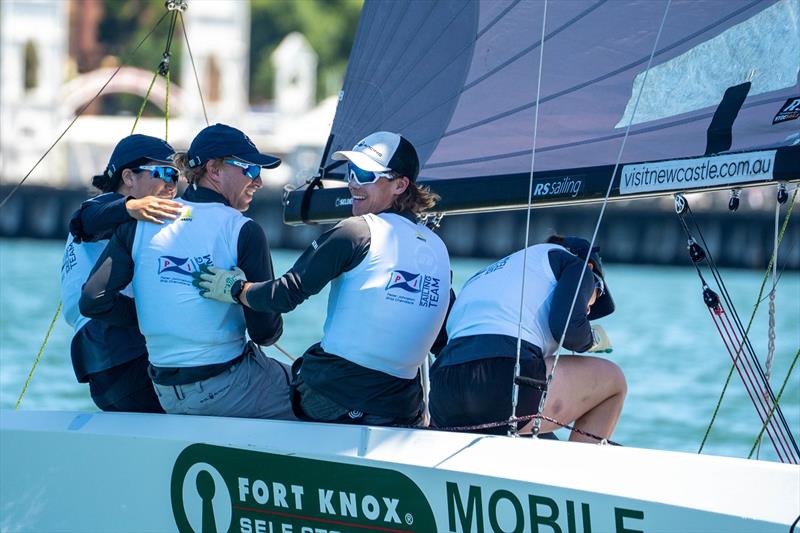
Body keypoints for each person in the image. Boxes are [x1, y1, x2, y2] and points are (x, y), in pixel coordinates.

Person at [194, 131, 451, 426]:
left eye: (365, 174)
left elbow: (284, 295)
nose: (353, 183)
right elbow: (443, 336)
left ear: (400, 185)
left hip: (334, 400)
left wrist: (236, 288)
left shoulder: (356, 231)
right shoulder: (438, 248)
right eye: (350, 172)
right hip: (401, 409)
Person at [79, 123, 293, 420]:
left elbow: (93, 300)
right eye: (250, 170)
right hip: (227, 387)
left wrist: (155, 310)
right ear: (214, 170)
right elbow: (265, 333)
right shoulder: (243, 230)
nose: (258, 181)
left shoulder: (141, 221)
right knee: (314, 396)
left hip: (165, 392)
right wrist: (240, 295)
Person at [429, 235, 627, 442]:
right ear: (590, 265)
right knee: (614, 382)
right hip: (502, 385)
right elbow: (569, 331)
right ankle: (578, 471)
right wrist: (593, 340)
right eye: (598, 291)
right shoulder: (576, 265)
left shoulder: (489, 273)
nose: (588, 309)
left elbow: (444, 341)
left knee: (544, 438)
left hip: (443, 398)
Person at [61, 134, 181, 413]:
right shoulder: (103, 207)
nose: (172, 184)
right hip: (118, 350)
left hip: (104, 363)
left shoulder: (129, 220)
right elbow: (85, 221)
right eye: (163, 172)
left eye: (175, 176)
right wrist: (130, 206)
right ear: (128, 177)